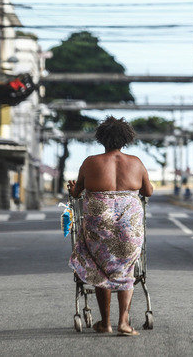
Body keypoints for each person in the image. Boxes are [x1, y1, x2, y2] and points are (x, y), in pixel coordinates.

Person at [67, 116, 153, 337]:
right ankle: (124, 323)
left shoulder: (90, 162)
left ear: (101, 138)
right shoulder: (136, 162)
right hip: (129, 223)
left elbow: (76, 194)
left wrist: (74, 188)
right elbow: (148, 192)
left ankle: (105, 323)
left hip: (99, 223)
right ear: (126, 138)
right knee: (126, 268)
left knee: (101, 267)